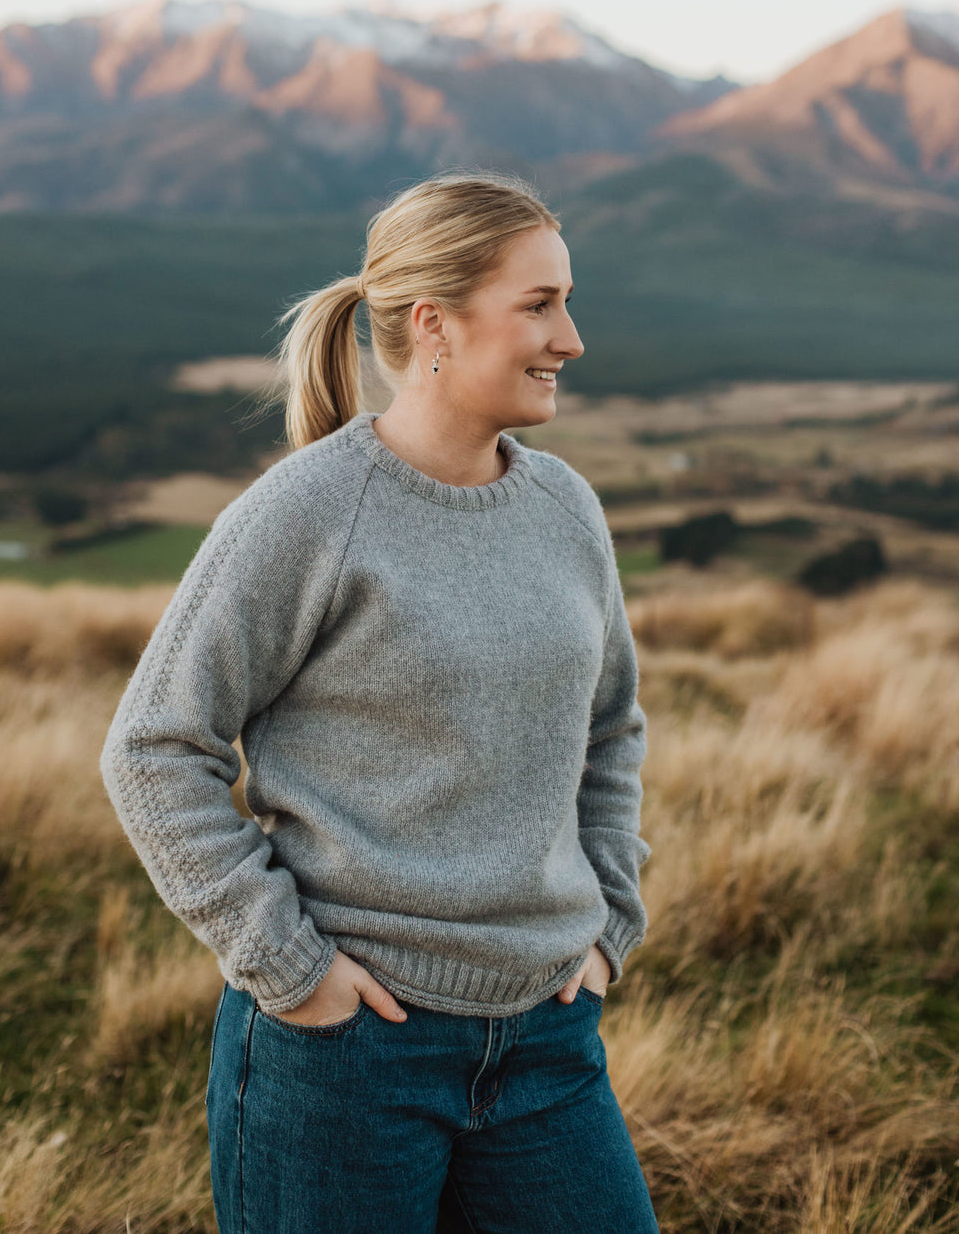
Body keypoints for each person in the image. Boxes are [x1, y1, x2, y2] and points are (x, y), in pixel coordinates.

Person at [100, 169, 659, 1233]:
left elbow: (610, 728)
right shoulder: (307, 511)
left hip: (548, 1037)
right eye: (539, 303)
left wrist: (607, 920)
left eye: (566, 299)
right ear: (432, 323)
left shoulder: (565, 508)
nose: (571, 337)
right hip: (348, 1051)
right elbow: (152, 747)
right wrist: (288, 965)